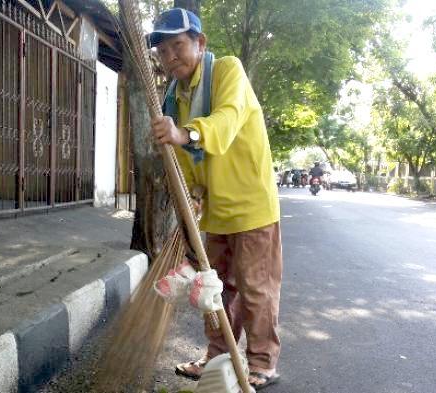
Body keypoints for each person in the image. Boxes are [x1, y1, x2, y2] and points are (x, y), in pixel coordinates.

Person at [148, 8, 283, 390]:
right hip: (216, 209)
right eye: (162, 51)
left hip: (251, 205)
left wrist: (182, 134)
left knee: (257, 287)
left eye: (178, 46)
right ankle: (217, 356)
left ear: (200, 43)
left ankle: (261, 362)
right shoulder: (177, 95)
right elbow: (188, 157)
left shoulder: (226, 70)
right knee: (214, 288)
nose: (170, 56)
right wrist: (194, 191)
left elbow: (226, 119)